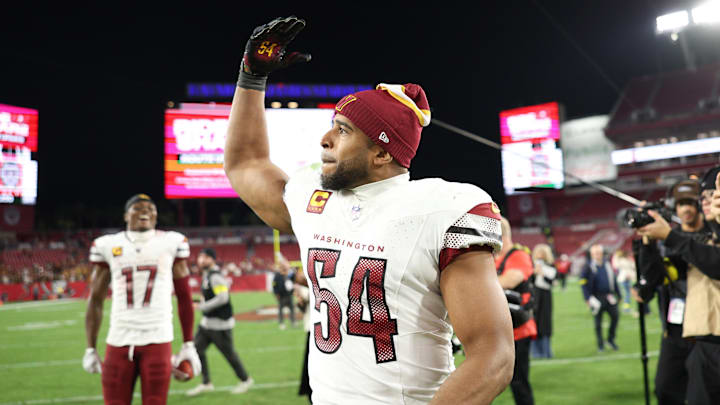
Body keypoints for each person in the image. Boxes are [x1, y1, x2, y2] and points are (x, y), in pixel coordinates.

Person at [222, 16, 515, 404]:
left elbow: (493, 356)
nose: (325, 139)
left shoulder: (440, 210)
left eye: (342, 131)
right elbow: (245, 163)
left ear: (381, 152)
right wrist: (251, 77)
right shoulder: (315, 199)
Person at [83, 194, 201, 405]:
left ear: (157, 216)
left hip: (158, 338)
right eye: (138, 207)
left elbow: (184, 297)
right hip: (119, 339)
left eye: (150, 208)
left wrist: (188, 343)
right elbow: (95, 299)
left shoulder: (171, 242)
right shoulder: (108, 245)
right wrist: (90, 348)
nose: (145, 210)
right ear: (126, 215)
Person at [637, 170, 720, 405]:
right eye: (682, 204)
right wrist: (648, 244)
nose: (688, 209)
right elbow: (652, 277)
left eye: (693, 202)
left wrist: (669, 236)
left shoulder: (709, 234)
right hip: (677, 330)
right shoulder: (672, 238)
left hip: (709, 330)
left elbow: (713, 261)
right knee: (666, 389)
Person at [186, 248, 254, 396]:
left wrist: (202, 306)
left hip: (219, 324)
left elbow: (223, 297)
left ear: (212, 259)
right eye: (200, 257)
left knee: (229, 354)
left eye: (205, 257)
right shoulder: (207, 275)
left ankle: (245, 380)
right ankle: (206, 383)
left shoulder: (215, 276)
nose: (201, 260)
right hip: (207, 323)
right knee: (197, 350)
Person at [495, 217, 537, 405]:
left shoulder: (518, 255)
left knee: (519, 382)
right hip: (502, 331)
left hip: (519, 329)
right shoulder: (497, 259)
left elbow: (510, 280)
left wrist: (478, 286)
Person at [580, 243, 621, 352]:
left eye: (599, 252)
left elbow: (614, 280)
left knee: (615, 317)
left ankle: (610, 339)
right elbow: (583, 284)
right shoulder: (588, 266)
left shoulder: (607, 264)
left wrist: (619, 294)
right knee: (598, 323)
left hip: (609, 296)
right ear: (592, 254)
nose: (598, 255)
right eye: (595, 253)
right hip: (596, 298)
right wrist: (587, 298)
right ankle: (600, 344)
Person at [530, 243, 556, 359]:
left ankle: (546, 351)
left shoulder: (551, 267)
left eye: (542, 254)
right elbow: (529, 281)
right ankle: (535, 352)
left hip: (545, 297)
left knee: (545, 322)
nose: (540, 256)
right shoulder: (531, 266)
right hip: (534, 295)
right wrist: (535, 273)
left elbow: (552, 282)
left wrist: (542, 273)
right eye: (538, 254)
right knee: (534, 322)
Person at [272, 254, 295, 329]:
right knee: (281, 310)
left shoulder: (289, 273)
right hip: (281, 295)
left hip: (289, 294)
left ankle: (292, 322)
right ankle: (281, 323)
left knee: (292, 309)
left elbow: (293, 281)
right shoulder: (277, 274)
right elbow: (274, 285)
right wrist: (276, 294)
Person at [612, 250, 637, 315]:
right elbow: (615, 265)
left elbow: (633, 267)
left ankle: (624, 308)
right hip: (623, 280)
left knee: (627, 294)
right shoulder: (621, 259)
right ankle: (624, 308)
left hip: (627, 279)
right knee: (626, 294)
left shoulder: (627, 259)